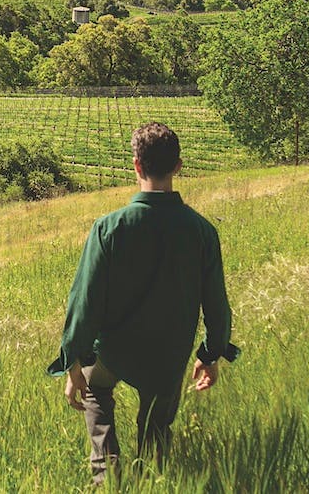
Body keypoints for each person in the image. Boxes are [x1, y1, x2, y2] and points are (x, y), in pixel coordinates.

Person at [47, 121, 238, 483]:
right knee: (156, 432)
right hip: (167, 356)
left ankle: (107, 476)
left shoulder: (109, 228)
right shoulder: (201, 231)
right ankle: (154, 480)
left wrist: (72, 362)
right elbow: (217, 303)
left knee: (97, 391)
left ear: (136, 165)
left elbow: (84, 301)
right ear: (178, 166)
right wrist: (211, 354)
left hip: (112, 350)